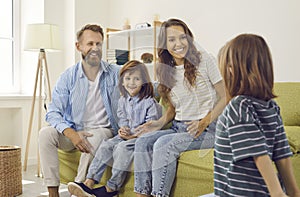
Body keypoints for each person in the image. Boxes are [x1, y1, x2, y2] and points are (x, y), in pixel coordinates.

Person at [133, 18, 226, 197]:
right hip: (180, 127)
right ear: (164, 44)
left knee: (163, 144)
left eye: (182, 38)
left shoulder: (205, 60)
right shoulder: (166, 69)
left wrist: (204, 121)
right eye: (172, 39)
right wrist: (158, 123)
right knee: (143, 142)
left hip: (209, 130)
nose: (178, 44)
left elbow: (226, 96)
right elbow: (174, 109)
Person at [38, 24, 120, 197]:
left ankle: (79, 188)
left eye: (98, 44)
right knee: (45, 133)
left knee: (96, 136)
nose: (95, 49)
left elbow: (144, 83)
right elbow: (53, 112)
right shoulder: (68, 77)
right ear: (79, 46)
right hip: (74, 131)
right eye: (90, 44)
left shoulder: (115, 73)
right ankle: (53, 192)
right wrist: (71, 134)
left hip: (102, 131)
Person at [214, 34, 300, 196]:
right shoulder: (272, 107)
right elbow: (282, 156)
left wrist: (277, 193)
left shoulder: (238, 106)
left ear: (231, 70)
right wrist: (293, 192)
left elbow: (259, 155)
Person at [67, 60, 162, 197]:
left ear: (144, 82)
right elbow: (122, 118)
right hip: (126, 136)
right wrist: (123, 129)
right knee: (106, 145)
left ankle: (112, 188)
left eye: (137, 79)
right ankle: (89, 182)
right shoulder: (123, 100)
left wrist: (134, 135)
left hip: (140, 139)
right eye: (128, 79)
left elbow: (151, 127)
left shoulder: (149, 102)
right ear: (122, 82)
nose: (132, 82)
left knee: (122, 149)